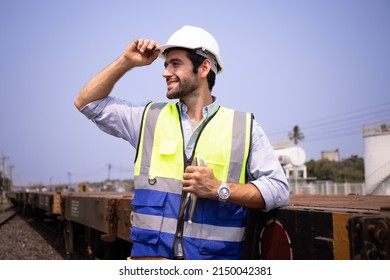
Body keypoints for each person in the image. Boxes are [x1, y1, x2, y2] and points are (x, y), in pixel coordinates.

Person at [74, 25, 289, 260]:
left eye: (175, 64)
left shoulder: (243, 127)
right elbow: (86, 102)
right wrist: (126, 61)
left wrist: (219, 189)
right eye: (166, 65)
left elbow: (278, 189)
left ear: (204, 67)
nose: (165, 72)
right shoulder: (148, 118)